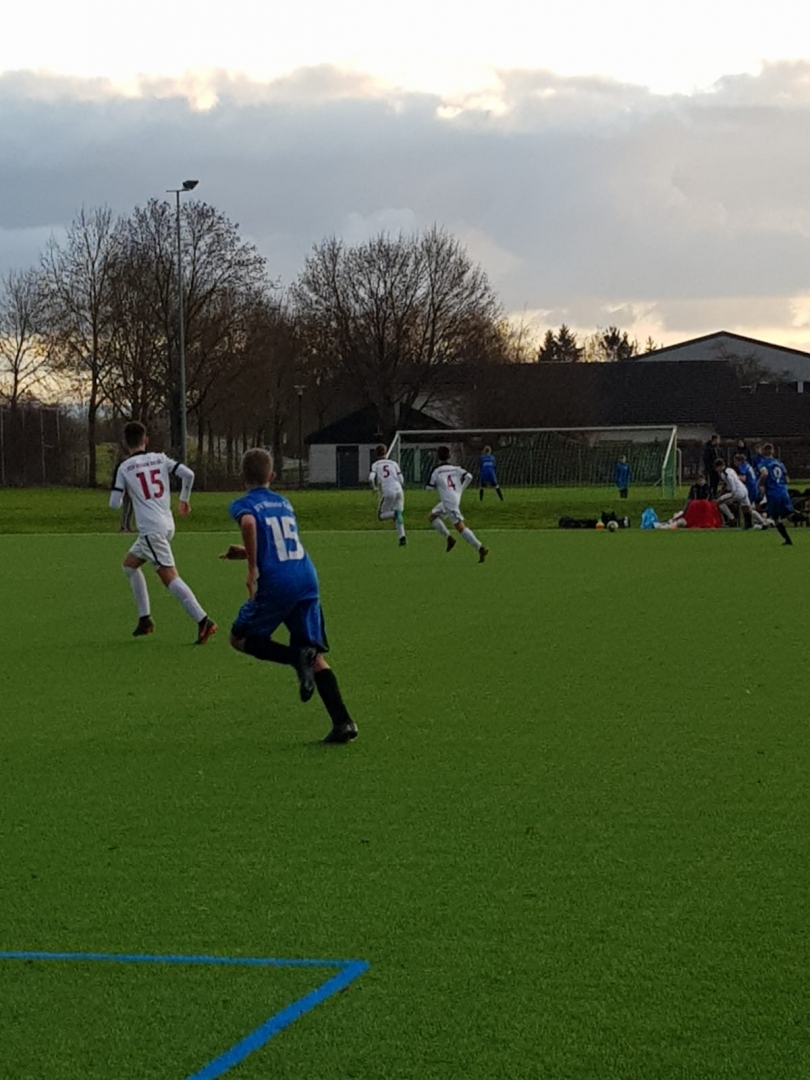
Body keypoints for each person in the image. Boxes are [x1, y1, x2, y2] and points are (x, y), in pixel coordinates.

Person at [221, 447, 358, 744]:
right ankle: (343, 721)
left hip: (279, 582)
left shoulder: (243, 504)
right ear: (272, 475)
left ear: (242, 476)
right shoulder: (284, 502)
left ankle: (296, 658)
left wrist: (252, 566)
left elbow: (249, 523)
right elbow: (279, 542)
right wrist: (246, 551)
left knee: (239, 638)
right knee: (314, 654)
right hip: (306, 576)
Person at [109, 420, 217, 643]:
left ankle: (203, 620)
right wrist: (184, 499)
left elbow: (114, 504)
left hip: (151, 530)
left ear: (125, 444)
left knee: (169, 577)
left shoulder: (124, 467)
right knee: (129, 565)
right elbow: (188, 474)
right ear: (145, 440)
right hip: (167, 525)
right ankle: (145, 619)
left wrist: (125, 491)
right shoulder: (160, 458)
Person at [427, 446, 489, 562]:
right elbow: (469, 476)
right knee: (431, 516)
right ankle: (449, 538)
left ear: (438, 457)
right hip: (452, 499)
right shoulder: (455, 468)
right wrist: (460, 490)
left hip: (449, 502)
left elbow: (429, 488)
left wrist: (438, 486)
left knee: (460, 527)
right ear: (449, 456)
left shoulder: (436, 471)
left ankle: (480, 548)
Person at [368, 444, 406, 546]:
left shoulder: (376, 465)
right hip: (399, 490)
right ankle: (402, 537)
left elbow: (371, 478)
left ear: (376, 454)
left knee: (381, 515)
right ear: (386, 452)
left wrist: (374, 488)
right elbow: (401, 479)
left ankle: (395, 514)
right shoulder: (394, 463)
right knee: (398, 515)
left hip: (388, 491)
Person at [757, 442, 794, 546]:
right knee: (787, 513)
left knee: (776, 518)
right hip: (783, 492)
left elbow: (764, 473)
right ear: (773, 451)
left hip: (773, 494)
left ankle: (788, 540)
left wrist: (760, 484)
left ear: (763, 452)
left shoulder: (763, 463)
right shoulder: (780, 463)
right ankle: (798, 517)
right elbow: (787, 479)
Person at [714, 458, 753, 528]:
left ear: (719, 466)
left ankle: (732, 519)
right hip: (743, 489)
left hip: (737, 491)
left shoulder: (724, 473)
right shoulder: (730, 469)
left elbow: (731, 480)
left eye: (716, 468)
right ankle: (759, 522)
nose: (716, 470)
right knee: (747, 508)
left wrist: (733, 491)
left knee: (719, 502)